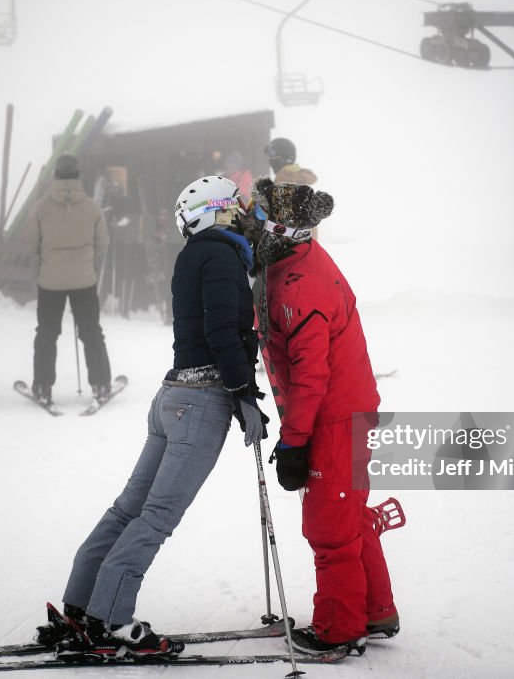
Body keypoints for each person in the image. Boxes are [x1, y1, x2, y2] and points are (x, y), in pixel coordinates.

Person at [41, 175, 269, 659]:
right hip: (202, 402)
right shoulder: (223, 257)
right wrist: (244, 392)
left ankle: (82, 605)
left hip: (172, 398)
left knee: (130, 508)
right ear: (221, 212)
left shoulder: (196, 255)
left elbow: (212, 327)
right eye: (239, 211)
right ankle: (113, 620)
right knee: (157, 515)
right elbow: (223, 331)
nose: (246, 219)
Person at [243, 176, 398, 654]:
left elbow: (312, 377)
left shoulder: (300, 286)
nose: (250, 224)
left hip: (335, 416)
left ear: (280, 229)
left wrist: (293, 443)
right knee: (347, 513)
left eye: (258, 217)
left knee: (329, 526)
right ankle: (374, 609)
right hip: (347, 410)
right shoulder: (289, 265)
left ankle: (340, 626)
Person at [23, 154, 112, 406]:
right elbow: (103, 243)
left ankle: (42, 387)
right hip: (84, 280)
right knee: (91, 331)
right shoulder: (92, 206)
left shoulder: (41, 206)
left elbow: (31, 244)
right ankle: (101, 384)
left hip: (50, 281)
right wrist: (86, 260)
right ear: (77, 176)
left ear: (55, 177)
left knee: (47, 333)